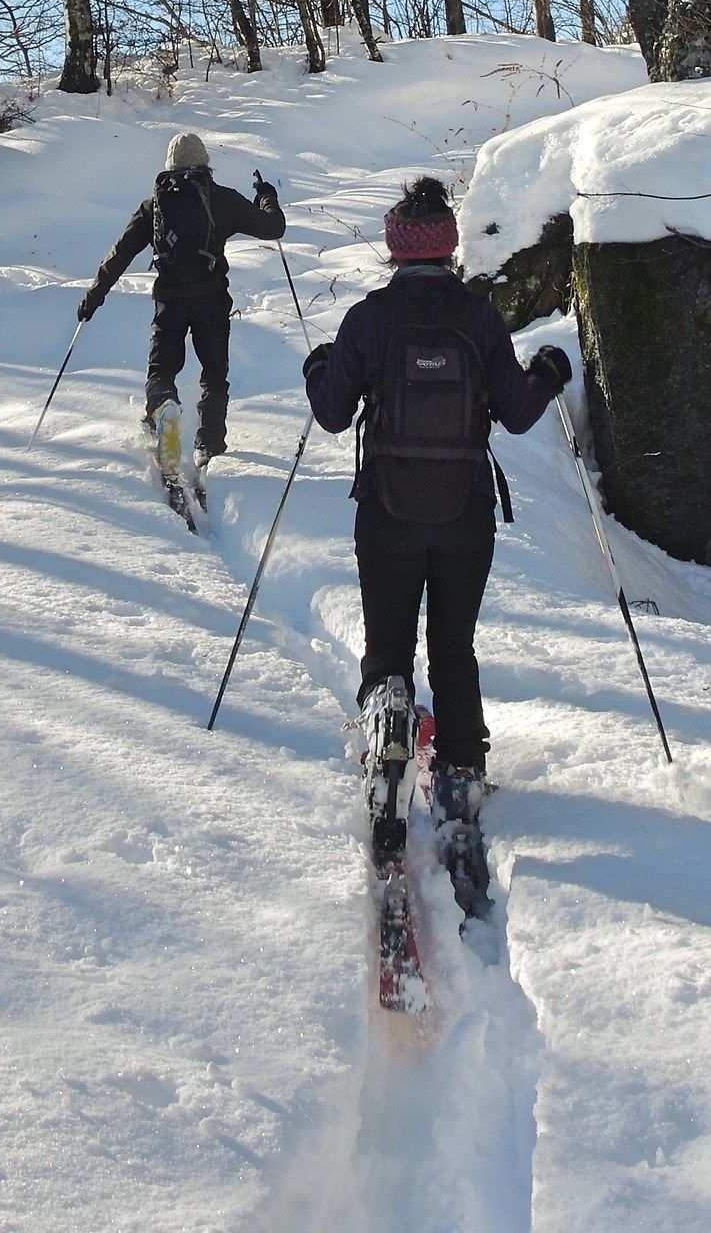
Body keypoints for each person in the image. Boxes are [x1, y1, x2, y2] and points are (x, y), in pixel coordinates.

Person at [301, 173, 570, 906]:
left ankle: (388, 727)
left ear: (395, 247)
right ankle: (458, 774)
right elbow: (516, 414)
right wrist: (549, 369)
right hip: (463, 515)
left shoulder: (369, 320)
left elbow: (329, 414)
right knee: (453, 646)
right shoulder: (478, 318)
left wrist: (320, 365)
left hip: (385, 511)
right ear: (448, 245)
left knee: (389, 644)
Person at [78, 133, 287, 470]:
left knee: (161, 371)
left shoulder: (156, 204)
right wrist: (267, 197)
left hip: (169, 302)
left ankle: (164, 412)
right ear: (205, 163)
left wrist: (94, 296)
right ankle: (209, 445)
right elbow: (273, 228)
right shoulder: (221, 199)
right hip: (212, 300)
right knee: (214, 373)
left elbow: (122, 252)